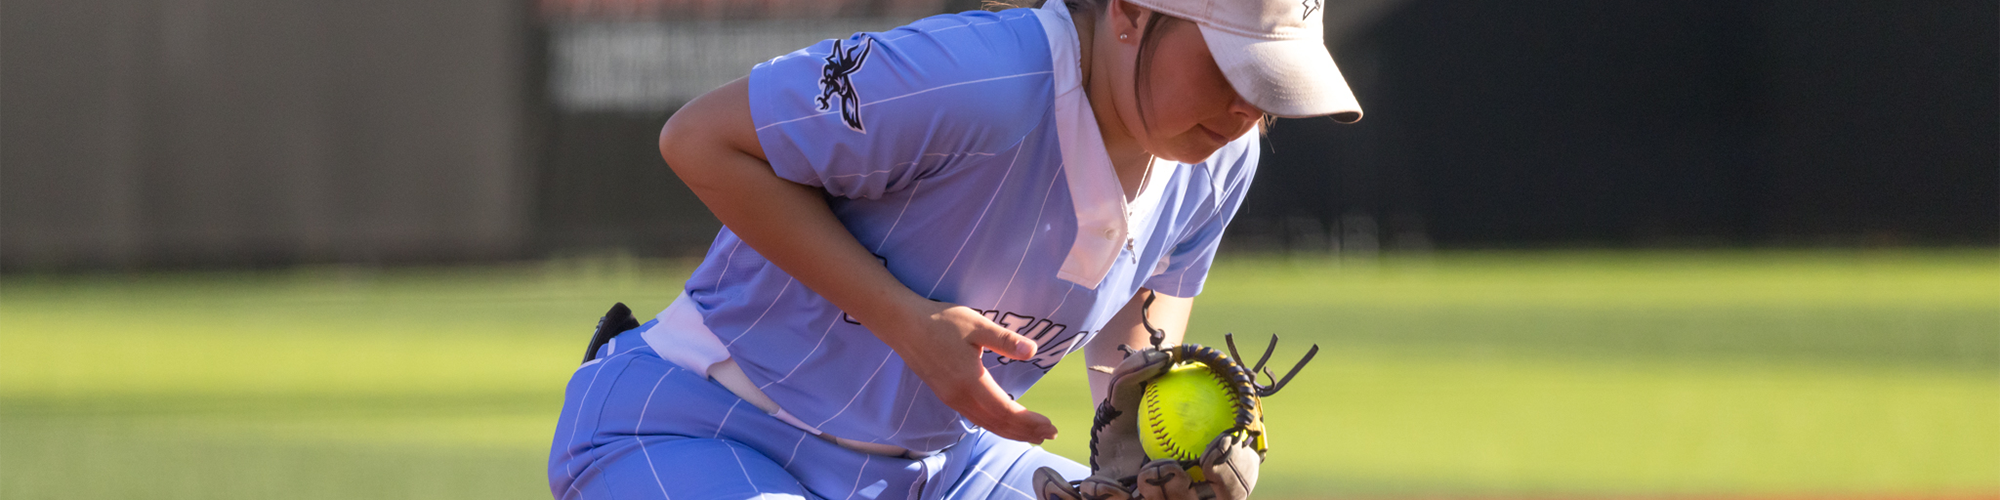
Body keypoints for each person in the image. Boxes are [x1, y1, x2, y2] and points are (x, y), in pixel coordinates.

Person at [547, 0, 1361, 497]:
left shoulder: (1217, 159)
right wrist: (904, 320)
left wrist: (1153, 468)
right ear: (1129, 12)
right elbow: (698, 140)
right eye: (1230, 66)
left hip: (938, 471)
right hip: (700, 423)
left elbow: (1135, 364)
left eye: (1271, 86)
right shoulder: (981, 79)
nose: (1248, 109)